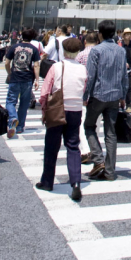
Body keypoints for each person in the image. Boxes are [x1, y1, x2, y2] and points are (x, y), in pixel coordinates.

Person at [36, 38, 88, 201]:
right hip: (76, 110)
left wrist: (44, 110)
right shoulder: (83, 69)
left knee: (51, 145)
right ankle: (76, 183)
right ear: (78, 52)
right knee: (73, 145)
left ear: (64, 51)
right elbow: (84, 89)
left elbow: (45, 92)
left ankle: (47, 181)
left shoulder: (56, 67)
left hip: (58, 109)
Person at [82, 20, 129, 181]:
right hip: (115, 96)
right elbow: (124, 74)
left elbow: (90, 76)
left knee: (89, 126)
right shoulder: (120, 51)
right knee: (111, 133)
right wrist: (123, 96)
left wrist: (85, 96)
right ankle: (109, 171)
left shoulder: (96, 51)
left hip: (98, 95)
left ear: (100, 34)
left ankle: (98, 159)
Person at [4, 28, 40, 138]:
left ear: (21, 36)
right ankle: (20, 127)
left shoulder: (14, 47)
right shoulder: (34, 49)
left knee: (10, 101)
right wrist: (37, 80)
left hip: (15, 77)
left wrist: (10, 73)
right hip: (28, 78)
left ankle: (13, 118)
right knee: (24, 104)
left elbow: (7, 62)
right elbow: (37, 65)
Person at [119, 28, 131, 113]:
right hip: (120, 70)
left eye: (129, 34)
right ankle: (120, 103)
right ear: (123, 35)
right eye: (126, 34)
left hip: (130, 69)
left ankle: (128, 105)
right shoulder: (120, 45)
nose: (128, 35)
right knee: (120, 87)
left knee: (129, 88)